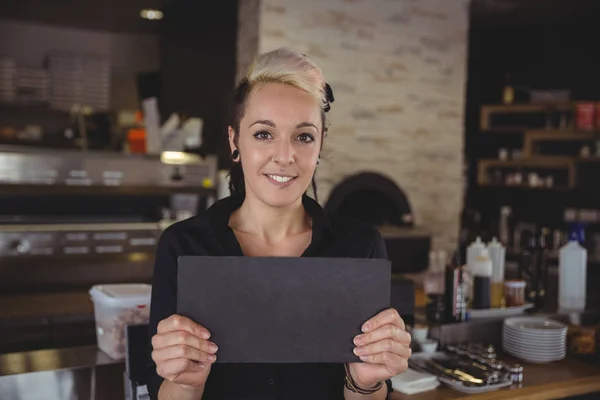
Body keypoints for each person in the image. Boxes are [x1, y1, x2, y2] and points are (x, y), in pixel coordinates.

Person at [145, 47, 411, 400]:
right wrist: (183, 382)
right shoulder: (184, 245)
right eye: (263, 134)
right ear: (234, 141)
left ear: (320, 146)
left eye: (303, 136)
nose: (285, 156)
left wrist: (365, 382)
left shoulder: (360, 246)